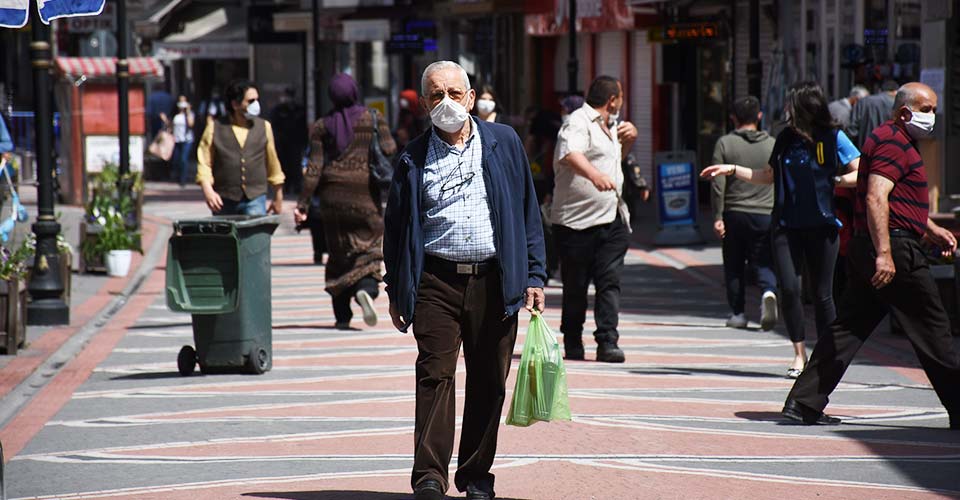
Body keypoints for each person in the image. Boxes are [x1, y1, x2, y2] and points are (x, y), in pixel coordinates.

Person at [383, 60, 546, 500]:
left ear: (471, 99)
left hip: (496, 282)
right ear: (423, 104)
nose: (447, 103)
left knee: (489, 382)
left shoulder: (504, 142)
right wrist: (396, 287)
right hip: (437, 282)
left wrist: (534, 273)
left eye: (455, 94)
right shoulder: (412, 158)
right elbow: (396, 228)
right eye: (437, 95)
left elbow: (529, 211)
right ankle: (429, 477)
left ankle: (475, 476)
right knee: (435, 376)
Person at [782, 82, 960, 430]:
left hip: (874, 244)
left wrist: (928, 228)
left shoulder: (889, 139)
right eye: (927, 110)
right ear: (905, 111)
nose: (932, 117)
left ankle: (803, 403)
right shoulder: (894, 142)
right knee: (934, 330)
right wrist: (885, 254)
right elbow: (877, 197)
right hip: (891, 248)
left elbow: (894, 200)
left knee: (847, 329)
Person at [701, 81, 861, 379]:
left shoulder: (832, 137)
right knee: (789, 288)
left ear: (805, 108)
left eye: (791, 105)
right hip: (786, 226)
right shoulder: (785, 138)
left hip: (823, 225)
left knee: (823, 294)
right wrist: (731, 170)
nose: (786, 110)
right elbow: (768, 176)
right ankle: (799, 354)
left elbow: (860, 171)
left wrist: (835, 182)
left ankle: (826, 357)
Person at [293, 73, 396, 329]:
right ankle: (366, 290)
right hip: (364, 195)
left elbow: (314, 168)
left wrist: (303, 204)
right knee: (369, 250)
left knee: (339, 254)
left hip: (331, 198)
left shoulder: (321, 125)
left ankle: (342, 315)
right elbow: (390, 149)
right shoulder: (372, 117)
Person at [552, 76, 638, 363]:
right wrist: (594, 176)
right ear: (612, 99)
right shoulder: (577, 121)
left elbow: (613, 162)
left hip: (612, 217)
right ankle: (573, 340)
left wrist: (630, 141)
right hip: (576, 222)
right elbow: (570, 154)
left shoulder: (613, 126)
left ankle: (607, 341)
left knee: (609, 281)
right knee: (575, 286)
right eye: (621, 97)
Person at [709, 96, 778, 330]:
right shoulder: (772, 144)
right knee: (763, 262)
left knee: (734, 264)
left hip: (734, 212)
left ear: (733, 118)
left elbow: (718, 184)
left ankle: (738, 313)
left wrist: (717, 216)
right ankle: (768, 291)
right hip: (765, 213)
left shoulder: (725, 144)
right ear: (759, 116)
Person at [196, 79, 285, 216]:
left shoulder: (264, 126)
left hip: (255, 198)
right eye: (250, 101)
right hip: (224, 199)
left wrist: (278, 195)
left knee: (254, 237)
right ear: (235, 104)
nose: (256, 104)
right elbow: (204, 162)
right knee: (227, 237)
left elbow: (272, 162)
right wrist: (208, 191)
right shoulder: (215, 127)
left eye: (257, 100)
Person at [270, 86, 308, 195]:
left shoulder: (299, 110)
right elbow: (275, 126)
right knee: (284, 166)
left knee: (295, 166)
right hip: (282, 144)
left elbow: (303, 128)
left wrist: (304, 142)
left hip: (295, 143)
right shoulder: (279, 110)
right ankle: (285, 187)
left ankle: (296, 187)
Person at [849, 79, 898, 148]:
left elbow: (852, 129)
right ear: (895, 91)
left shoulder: (863, 102)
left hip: (864, 149)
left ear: (880, 90)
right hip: (887, 149)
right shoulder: (896, 104)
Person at [171, 95, 195, 187]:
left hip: (187, 139)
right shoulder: (175, 114)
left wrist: (188, 111)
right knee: (176, 159)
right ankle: (177, 176)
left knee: (183, 159)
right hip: (177, 139)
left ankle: (183, 180)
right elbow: (171, 126)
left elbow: (191, 124)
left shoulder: (189, 114)